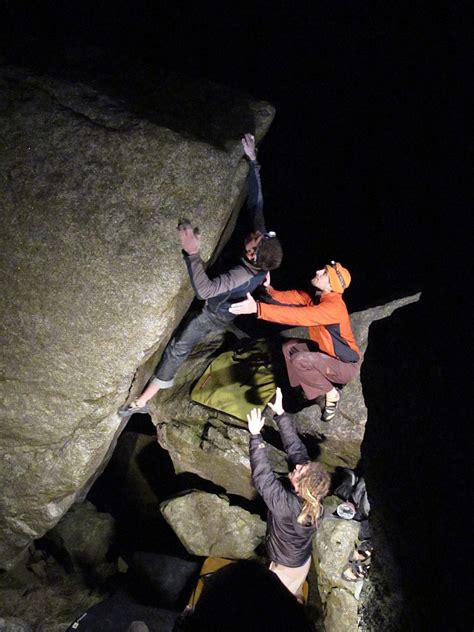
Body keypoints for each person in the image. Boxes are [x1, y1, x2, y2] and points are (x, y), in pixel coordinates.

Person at [119, 134, 283, 417]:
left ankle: (142, 401)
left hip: (216, 313)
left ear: (254, 257)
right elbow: (256, 205)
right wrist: (253, 160)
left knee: (179, 347)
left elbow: (205, 292)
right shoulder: (261, 245)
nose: (252, 235)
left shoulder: (241, 275)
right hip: (227, 289)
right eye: (258, 236)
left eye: (253, 242)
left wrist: (192, 253)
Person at [229, 261, 361, 421]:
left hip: (344, 366)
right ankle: (306, 389)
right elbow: (294, 297)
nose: (318, 271)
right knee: (289, 347)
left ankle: (331, 393)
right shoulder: (319, 297)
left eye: (324, 273)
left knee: (300, 360)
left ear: (332, 285)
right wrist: (268, 289)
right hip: (326, 355)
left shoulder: (334, 308)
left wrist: (258, 309)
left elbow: (298, 316)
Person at [247, 388, 331, 602]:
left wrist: (256, 437)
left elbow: (263, 479)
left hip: (285, 567)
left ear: (299, 487)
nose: (296, 467)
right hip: (300, 560)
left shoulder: (287, 507)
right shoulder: (313, 497)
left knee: (276, 603)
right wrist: (281, 413)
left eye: (299, 471)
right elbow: (296, 451)